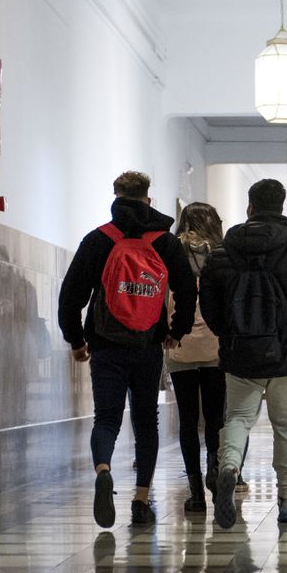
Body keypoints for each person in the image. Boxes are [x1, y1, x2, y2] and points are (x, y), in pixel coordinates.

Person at [58, 170, 197, 529]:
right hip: (148, 345)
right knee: (145, 419)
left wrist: (76, 340)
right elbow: (187, 290)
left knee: (106, 417)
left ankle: (103, 469)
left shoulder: (98, 240)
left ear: (116, 196)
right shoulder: (165, 243)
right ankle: (140, 497)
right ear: (148, 199)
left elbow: (71, 295)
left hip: (105, 345)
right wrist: (176, 330)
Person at [200, 178, 287, 527]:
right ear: (282, 207)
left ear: (250, 207)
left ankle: (228, 468)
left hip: (240, 352)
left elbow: (208, 303)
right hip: (285, 355)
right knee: (286, 425)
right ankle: (286, 500)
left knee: (238, 418)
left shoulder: (223, 252)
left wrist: (228, 334)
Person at [166, 202, 227, 515]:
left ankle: (195, 493)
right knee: (216, 417)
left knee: (188, 420)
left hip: (180, 343)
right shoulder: (222, 253)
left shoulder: (171, 252)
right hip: (217, 345)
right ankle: (215, 471)